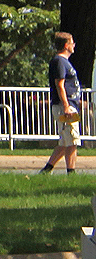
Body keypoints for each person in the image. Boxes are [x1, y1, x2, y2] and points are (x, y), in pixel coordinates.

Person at [43, 32, 82, 175]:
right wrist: (66, 105)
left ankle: (46, 171)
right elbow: (60, 85)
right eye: (72, 42)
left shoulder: (64, 62)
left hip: (70, 104)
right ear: (66, 45)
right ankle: (71, 173)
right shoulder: (59, 61)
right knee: (72, 140)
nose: (74, 45)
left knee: (65, 141)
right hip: (65, 107)